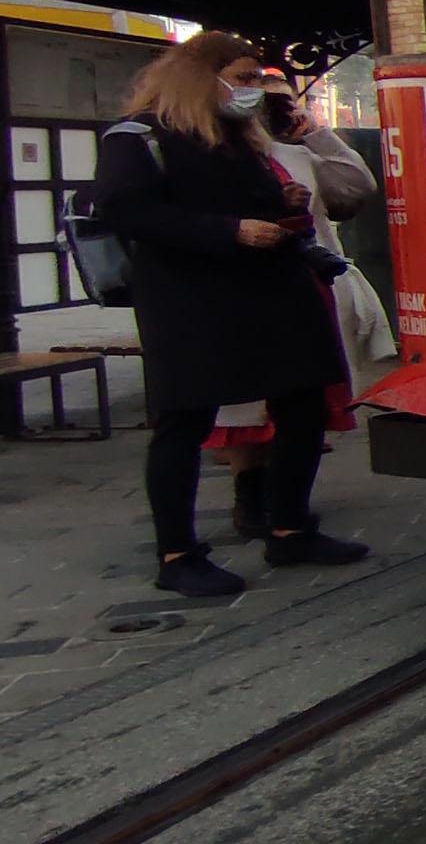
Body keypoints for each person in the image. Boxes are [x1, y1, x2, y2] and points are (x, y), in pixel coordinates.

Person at [88, 32, 369, 597]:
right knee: (184, 420)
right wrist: (229, 230)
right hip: (191, 298)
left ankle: (290, 527)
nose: (251, 91)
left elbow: (245, 194)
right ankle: (178, 554)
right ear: (201, 78)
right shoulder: (141, 136)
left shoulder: (236, 135)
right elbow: (128, 208)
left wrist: (278, 205)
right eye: (240, 79)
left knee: (303, 402)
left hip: (271, 285)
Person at [209, 65, 392, 539]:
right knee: (247, 405)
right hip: (243, 289)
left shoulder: (299, 154)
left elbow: (357, 186)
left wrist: (314, 132)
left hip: (305, 287)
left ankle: (289, 509)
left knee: (301, 403)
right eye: (261, 96)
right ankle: (251, 498)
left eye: (279, 99)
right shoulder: (219, 152)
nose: (268, 107)